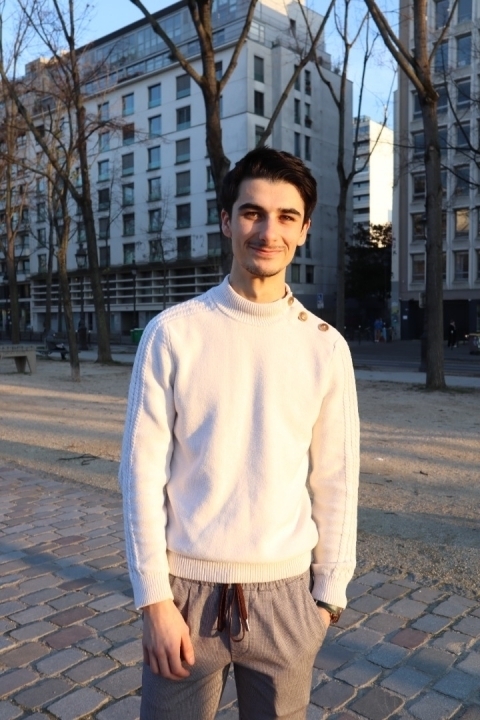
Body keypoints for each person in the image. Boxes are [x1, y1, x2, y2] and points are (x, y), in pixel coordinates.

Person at [119, 146, 359, 720]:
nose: (268, 232)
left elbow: (336, 479)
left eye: (285, 217)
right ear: (227, 220)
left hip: (288, 600)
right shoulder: (173, 335)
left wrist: (327, 597)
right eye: (252, 213)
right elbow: (141, 475)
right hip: (186, 595)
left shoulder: (325, 347)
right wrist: (153, 600)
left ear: (303, 229)